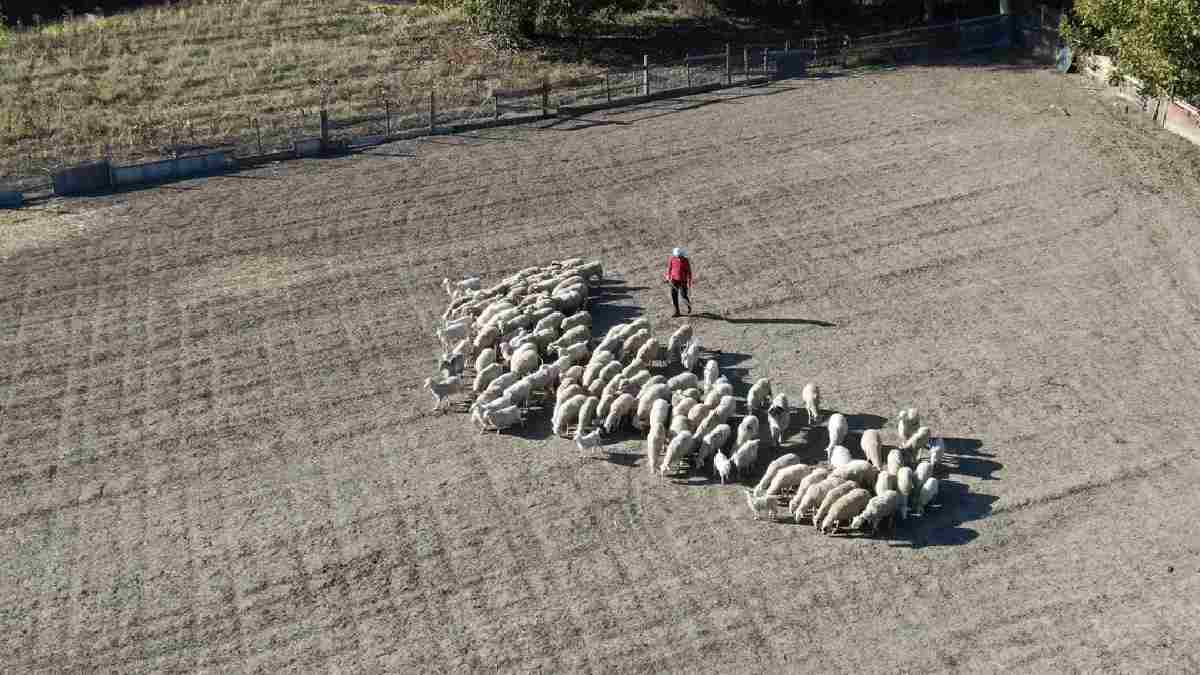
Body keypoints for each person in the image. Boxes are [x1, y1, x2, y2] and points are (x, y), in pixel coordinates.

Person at [664, 247, 693, 316]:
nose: (679, 257)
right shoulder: (672, 259)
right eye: (678, 256)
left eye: (680, 256)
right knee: (674, 295)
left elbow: (689, 272)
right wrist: (668, 276)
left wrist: (689, 282)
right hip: (674, 280)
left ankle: (688, 305)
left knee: (683, 295)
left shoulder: (686, 261)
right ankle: (676, 311)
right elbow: (670, 268)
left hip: (683, 281)